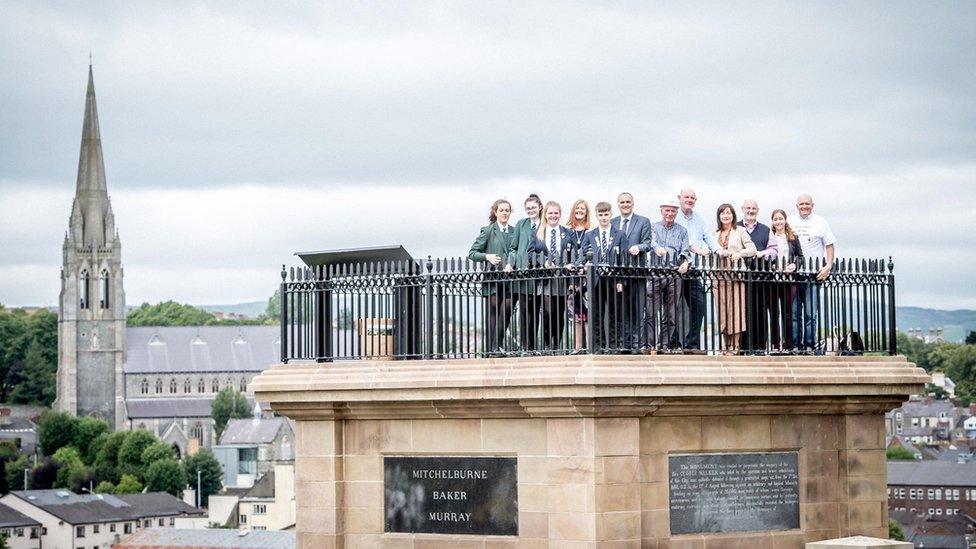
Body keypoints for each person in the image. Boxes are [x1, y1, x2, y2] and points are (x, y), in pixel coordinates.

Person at [787, 194, 837, 352]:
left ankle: (809, 345)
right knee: (794, 313)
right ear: (797, 206)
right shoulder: (789, 221)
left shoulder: (821, 222)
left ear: (812, 205)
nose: (804, 206)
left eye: (807, 204)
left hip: (813, 274)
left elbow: (829, 244)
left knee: (810, 314)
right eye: (801, 204)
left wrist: (828, 265)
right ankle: (795, 345)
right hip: (793, 274)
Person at [673, 188, 720, 353]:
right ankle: (674, 341)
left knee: (699, 304)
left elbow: (707, 236)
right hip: (677, 268)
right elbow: (685, 241)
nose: (689, 200)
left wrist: (718, 250)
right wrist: (698, 250)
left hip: (693, 269)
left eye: (692, 197)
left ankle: (691, 342)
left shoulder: (699, 218)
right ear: (679, 198)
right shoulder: (674, 215)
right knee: (673, 306)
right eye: (686, 197)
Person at [467, 199, 516, 355]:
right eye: (501, 210)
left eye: (507, 210)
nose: (504, 213)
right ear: (496, 212)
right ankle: (493, 348)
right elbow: (472, 253)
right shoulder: (488, 231)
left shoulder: (515, 231)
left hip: (510, 278)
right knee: (494, 312)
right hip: (493, 278)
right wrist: (487, 256)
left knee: (507, 310)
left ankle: (496, 344)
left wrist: (512, 263)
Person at [576, 201, 626, 351]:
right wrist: (578, 265)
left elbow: (623, 259)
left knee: (614, 314)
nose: (604, 217)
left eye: (606, 214)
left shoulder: (620, 234)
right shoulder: (590, 234)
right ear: (597, 216)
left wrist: (621, 280)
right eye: (601, 215)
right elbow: (583, 254)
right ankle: (598, 345)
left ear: (611, 214)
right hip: (595, 279)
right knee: (596, 314)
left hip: (613, 279)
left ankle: (613, 344)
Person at [645, 197, 691, 353]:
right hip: (656, 273)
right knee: (651, 312)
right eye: (667, 210)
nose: (670, 213)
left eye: (673, 210)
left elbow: (685, 251)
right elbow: (651, 242)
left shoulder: (682, 231)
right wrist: (657, 248)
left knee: (670, 314)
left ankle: (663, 345)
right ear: (661, 211)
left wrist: (686, 262)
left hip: (674, 274)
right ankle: (650, 345)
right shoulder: (653, 227)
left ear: (676, 212)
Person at [610, 192, 654, 351]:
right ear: (618, 204)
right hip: (619, 274)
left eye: (628, 202)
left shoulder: (643, 221)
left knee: (637, 310)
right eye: (622, 202)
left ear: (633, 203)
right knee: (622, 311)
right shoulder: (612, 222)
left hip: (638, 273)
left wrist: (639, 247)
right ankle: (624, 344)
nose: (625, 204)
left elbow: (648, 243)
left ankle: (637, 344)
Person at [530, 201, 575, 352]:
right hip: (545, 277)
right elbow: (530, 254)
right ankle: (547, 344)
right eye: (550, 213)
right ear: (545, 215)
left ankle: (557, 345)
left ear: (560, 214)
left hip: (562, 277)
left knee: (560, 313)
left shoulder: (568, 233)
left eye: (556, 213)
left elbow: (574, 253)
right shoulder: (537, 232)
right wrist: (543, 262)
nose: (553, 216)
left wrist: (570, 265)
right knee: (548, 312)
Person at [713, 203, 757, 355]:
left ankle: (735, 346)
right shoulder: (715, 233)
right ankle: (725, 346)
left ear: (733, 215)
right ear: (719, 216)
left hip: (736, 275)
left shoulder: (741, 231)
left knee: (736, 311)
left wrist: (739, 253)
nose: (726, 215)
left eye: (728, 213)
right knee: (722, 312)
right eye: (723, 213)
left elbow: (752, 249)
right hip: (719, 277)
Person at [738, 199, 777, 354]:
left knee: (760, 312)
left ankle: (760, 347)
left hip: (761, 276)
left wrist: (761, 254)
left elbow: (774, 250)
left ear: (758, 210)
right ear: (742, 209)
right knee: (741, 311)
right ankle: (743, 346)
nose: (751, 211)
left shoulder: (766, 230)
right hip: (740, 277)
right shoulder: (736, 227)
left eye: (754, 208)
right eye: (748, 208)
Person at [505, 194, 543, 353]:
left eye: (533, 207)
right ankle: (525, 346)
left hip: (539, 273)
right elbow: (513, 247)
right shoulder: (521, 224)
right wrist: (510, 263)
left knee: (535, 311)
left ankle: (534, 346)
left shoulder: (545, 223)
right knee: (524, 311)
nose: (531, 211)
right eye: (528, 208)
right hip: (522, 273)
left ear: (540, 207)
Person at [767, 209, 804, 352]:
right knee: (774, 314)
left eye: (780, 218)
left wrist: (794, 265)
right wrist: (772, 266)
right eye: (775, 219)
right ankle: (775, 345)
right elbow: (765, 256)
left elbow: (800, 256)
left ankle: (788, 345)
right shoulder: (769, 237)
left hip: (789, 280)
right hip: (773, 281)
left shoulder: (793, 237)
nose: (778, 221)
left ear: (785, 220)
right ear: (772, 221)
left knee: (788, 313)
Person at [566, 200, 591, 352]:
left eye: (582, 209)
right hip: (571, 277)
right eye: (577, 209)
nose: (580, 211)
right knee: (575, 313)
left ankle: (589, 346)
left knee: (587, 312)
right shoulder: (568, 232)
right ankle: (577, 346)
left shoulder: (591, 231)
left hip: (586, 277)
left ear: (586, 212)